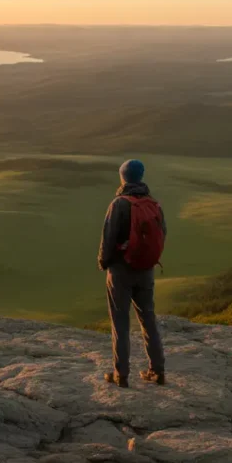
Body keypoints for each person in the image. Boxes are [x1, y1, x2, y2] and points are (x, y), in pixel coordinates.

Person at [97, 159, 167, 388]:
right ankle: (157, 371)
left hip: (120, 271)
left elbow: (108, 239)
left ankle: (121, 375)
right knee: (148, 319)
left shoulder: (119, 204)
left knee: (120, 322)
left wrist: (104, 263)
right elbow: (162, 235)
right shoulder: (153, 204)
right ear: (141, 176)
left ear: (123, 177)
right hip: (145, 270)